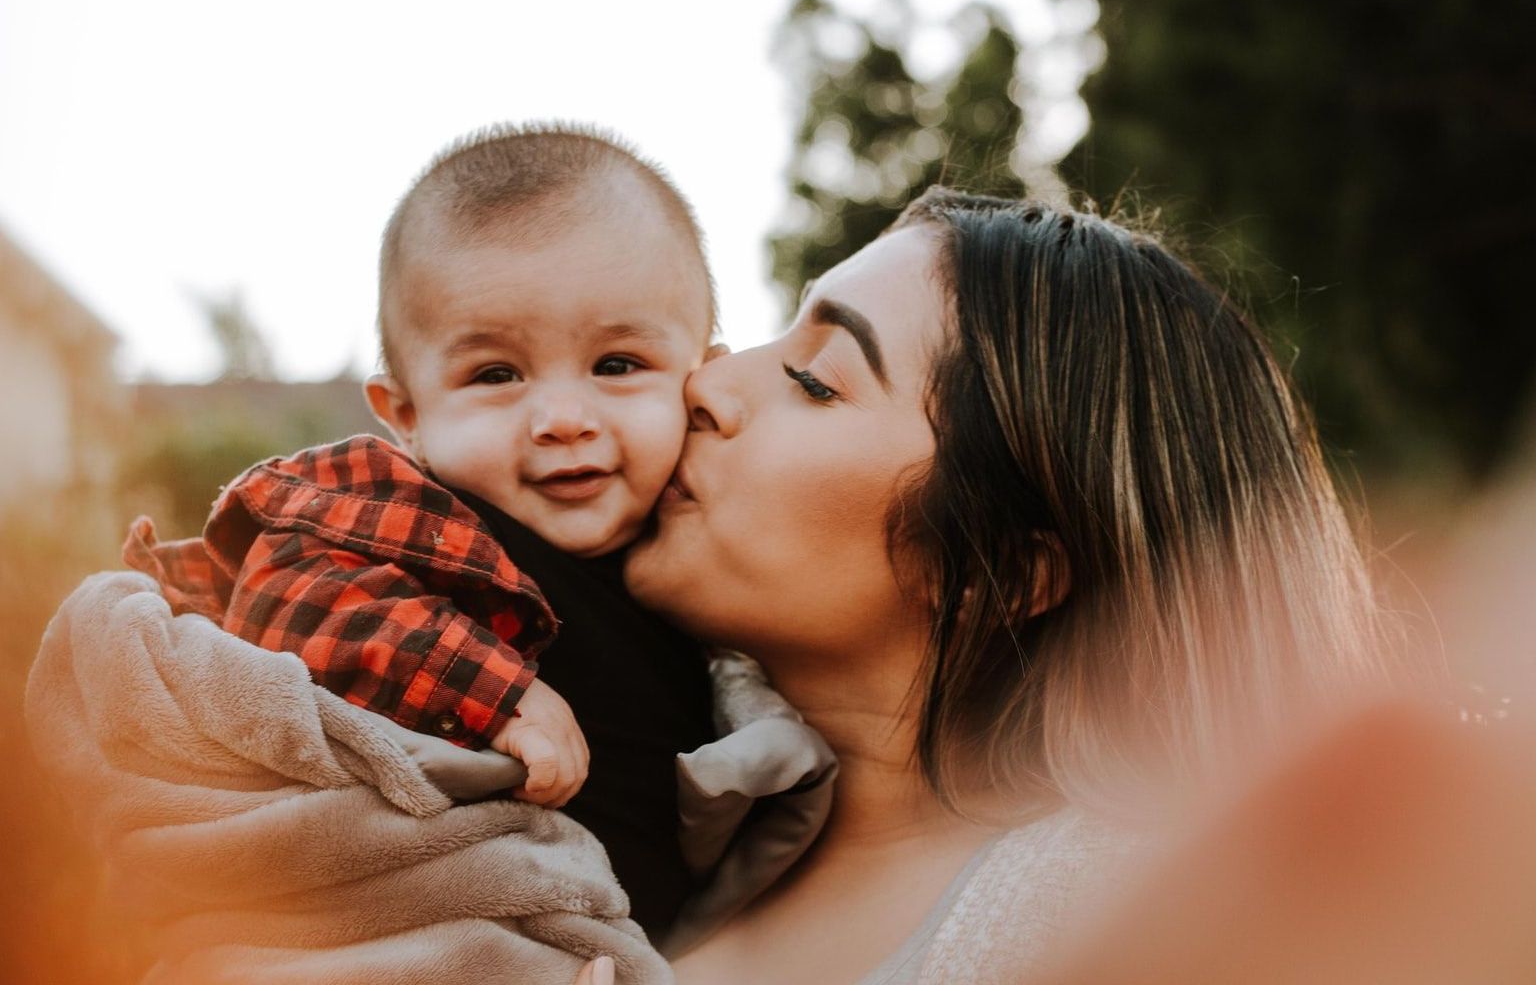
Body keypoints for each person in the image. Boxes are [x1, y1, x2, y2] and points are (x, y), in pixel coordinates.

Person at [586, 187, 1392, 984]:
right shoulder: (620, 814)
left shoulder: (1126, 929)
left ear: (1001, 572)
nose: (706, 384)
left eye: (815, 380)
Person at [121, 123, 723, 939]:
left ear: (705, 376)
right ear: (407, 417)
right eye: (495, 375)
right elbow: (291, 593)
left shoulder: (711, 547)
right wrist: (493, 693)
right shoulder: (417, 515)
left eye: (617, 364)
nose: (562, 419)